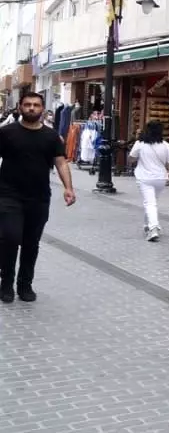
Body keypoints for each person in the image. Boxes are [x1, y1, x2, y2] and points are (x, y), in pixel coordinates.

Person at [0, 91, 76, 303]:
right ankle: (6, 283)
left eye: (35, 105)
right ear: (19, 107)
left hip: (39, 197)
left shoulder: (51, 136)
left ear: (42, 109)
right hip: (8, 195)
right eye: (27, 105)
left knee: (31, 243)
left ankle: (25, 285)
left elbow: (60, 162)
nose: (31, 108)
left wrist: (68, 187)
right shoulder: (6, 133)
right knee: (10, 238)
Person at [129, 121, 169, 242]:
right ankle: (147, 225)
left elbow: (131, 159)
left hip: (144, 178)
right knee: (151, 202)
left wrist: (135, 157)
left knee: (150, 203)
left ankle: (154, 228)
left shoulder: (140, 144)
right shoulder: (166, 146)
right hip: (160, 178)